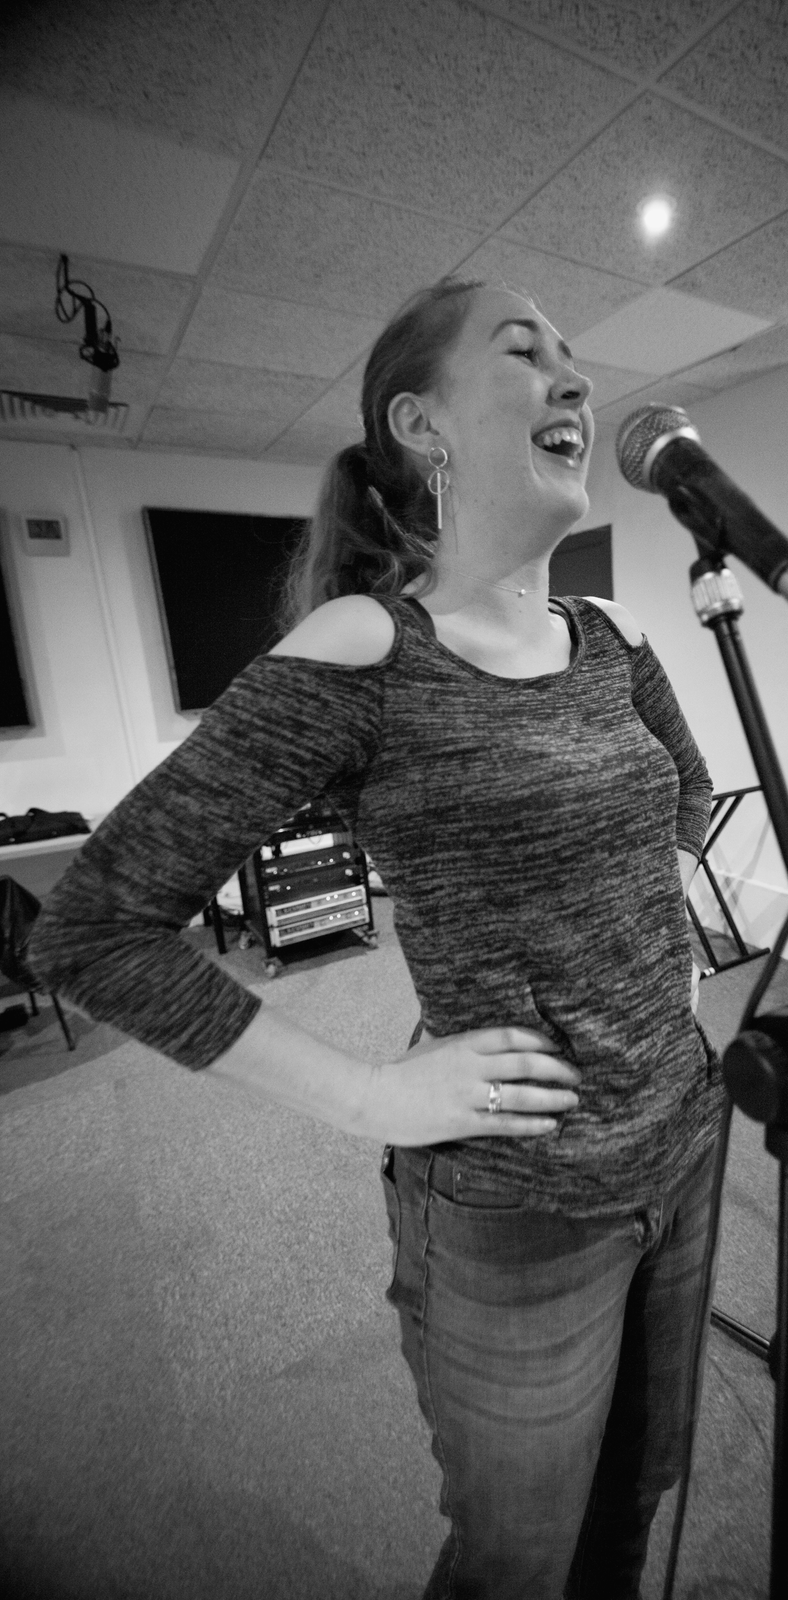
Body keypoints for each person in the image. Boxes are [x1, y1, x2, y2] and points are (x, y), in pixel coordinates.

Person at [29, 278, 726, 1598]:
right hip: (520, 1202)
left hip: (686, 1139)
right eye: (524, 351)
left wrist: (647, 934)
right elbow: (96, 927)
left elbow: (686, 799)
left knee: (633, 1505)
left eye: (574, 354)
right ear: (422, 425)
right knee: (517, 1563)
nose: (576, 379)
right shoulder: (369, 647)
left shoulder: (616, 637)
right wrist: (365, 1095)